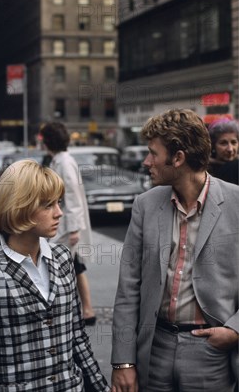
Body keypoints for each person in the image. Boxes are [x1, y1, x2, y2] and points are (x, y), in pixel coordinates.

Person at [111, 108, 239, 392]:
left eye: (153, 153)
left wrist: (234, 331)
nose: (147, 162)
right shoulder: (145, 205)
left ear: (178, 158)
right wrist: (123, 362)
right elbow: (128, 288)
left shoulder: (235, 202)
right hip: (154, 349)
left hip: (211, 352)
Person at [0, 159, 110, 392]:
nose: (59, 213)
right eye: (48, 205)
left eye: (58, 203)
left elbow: (77, 337)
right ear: (20, 206)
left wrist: (101, 387)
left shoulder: (62, 257)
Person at [40, 121, 96, 324]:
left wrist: (73, 228)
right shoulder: (61, 160)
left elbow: (71, 195)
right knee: (76, 267)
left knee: (67, 269)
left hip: (66, 226)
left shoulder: (63, 162)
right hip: (66, 224)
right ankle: (87, 310)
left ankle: (80, 311)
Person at [208, 118, 239, 185]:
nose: (230, 149)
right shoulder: (205, 171)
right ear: (213, 146)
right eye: (223, 143)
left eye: (234, 142)